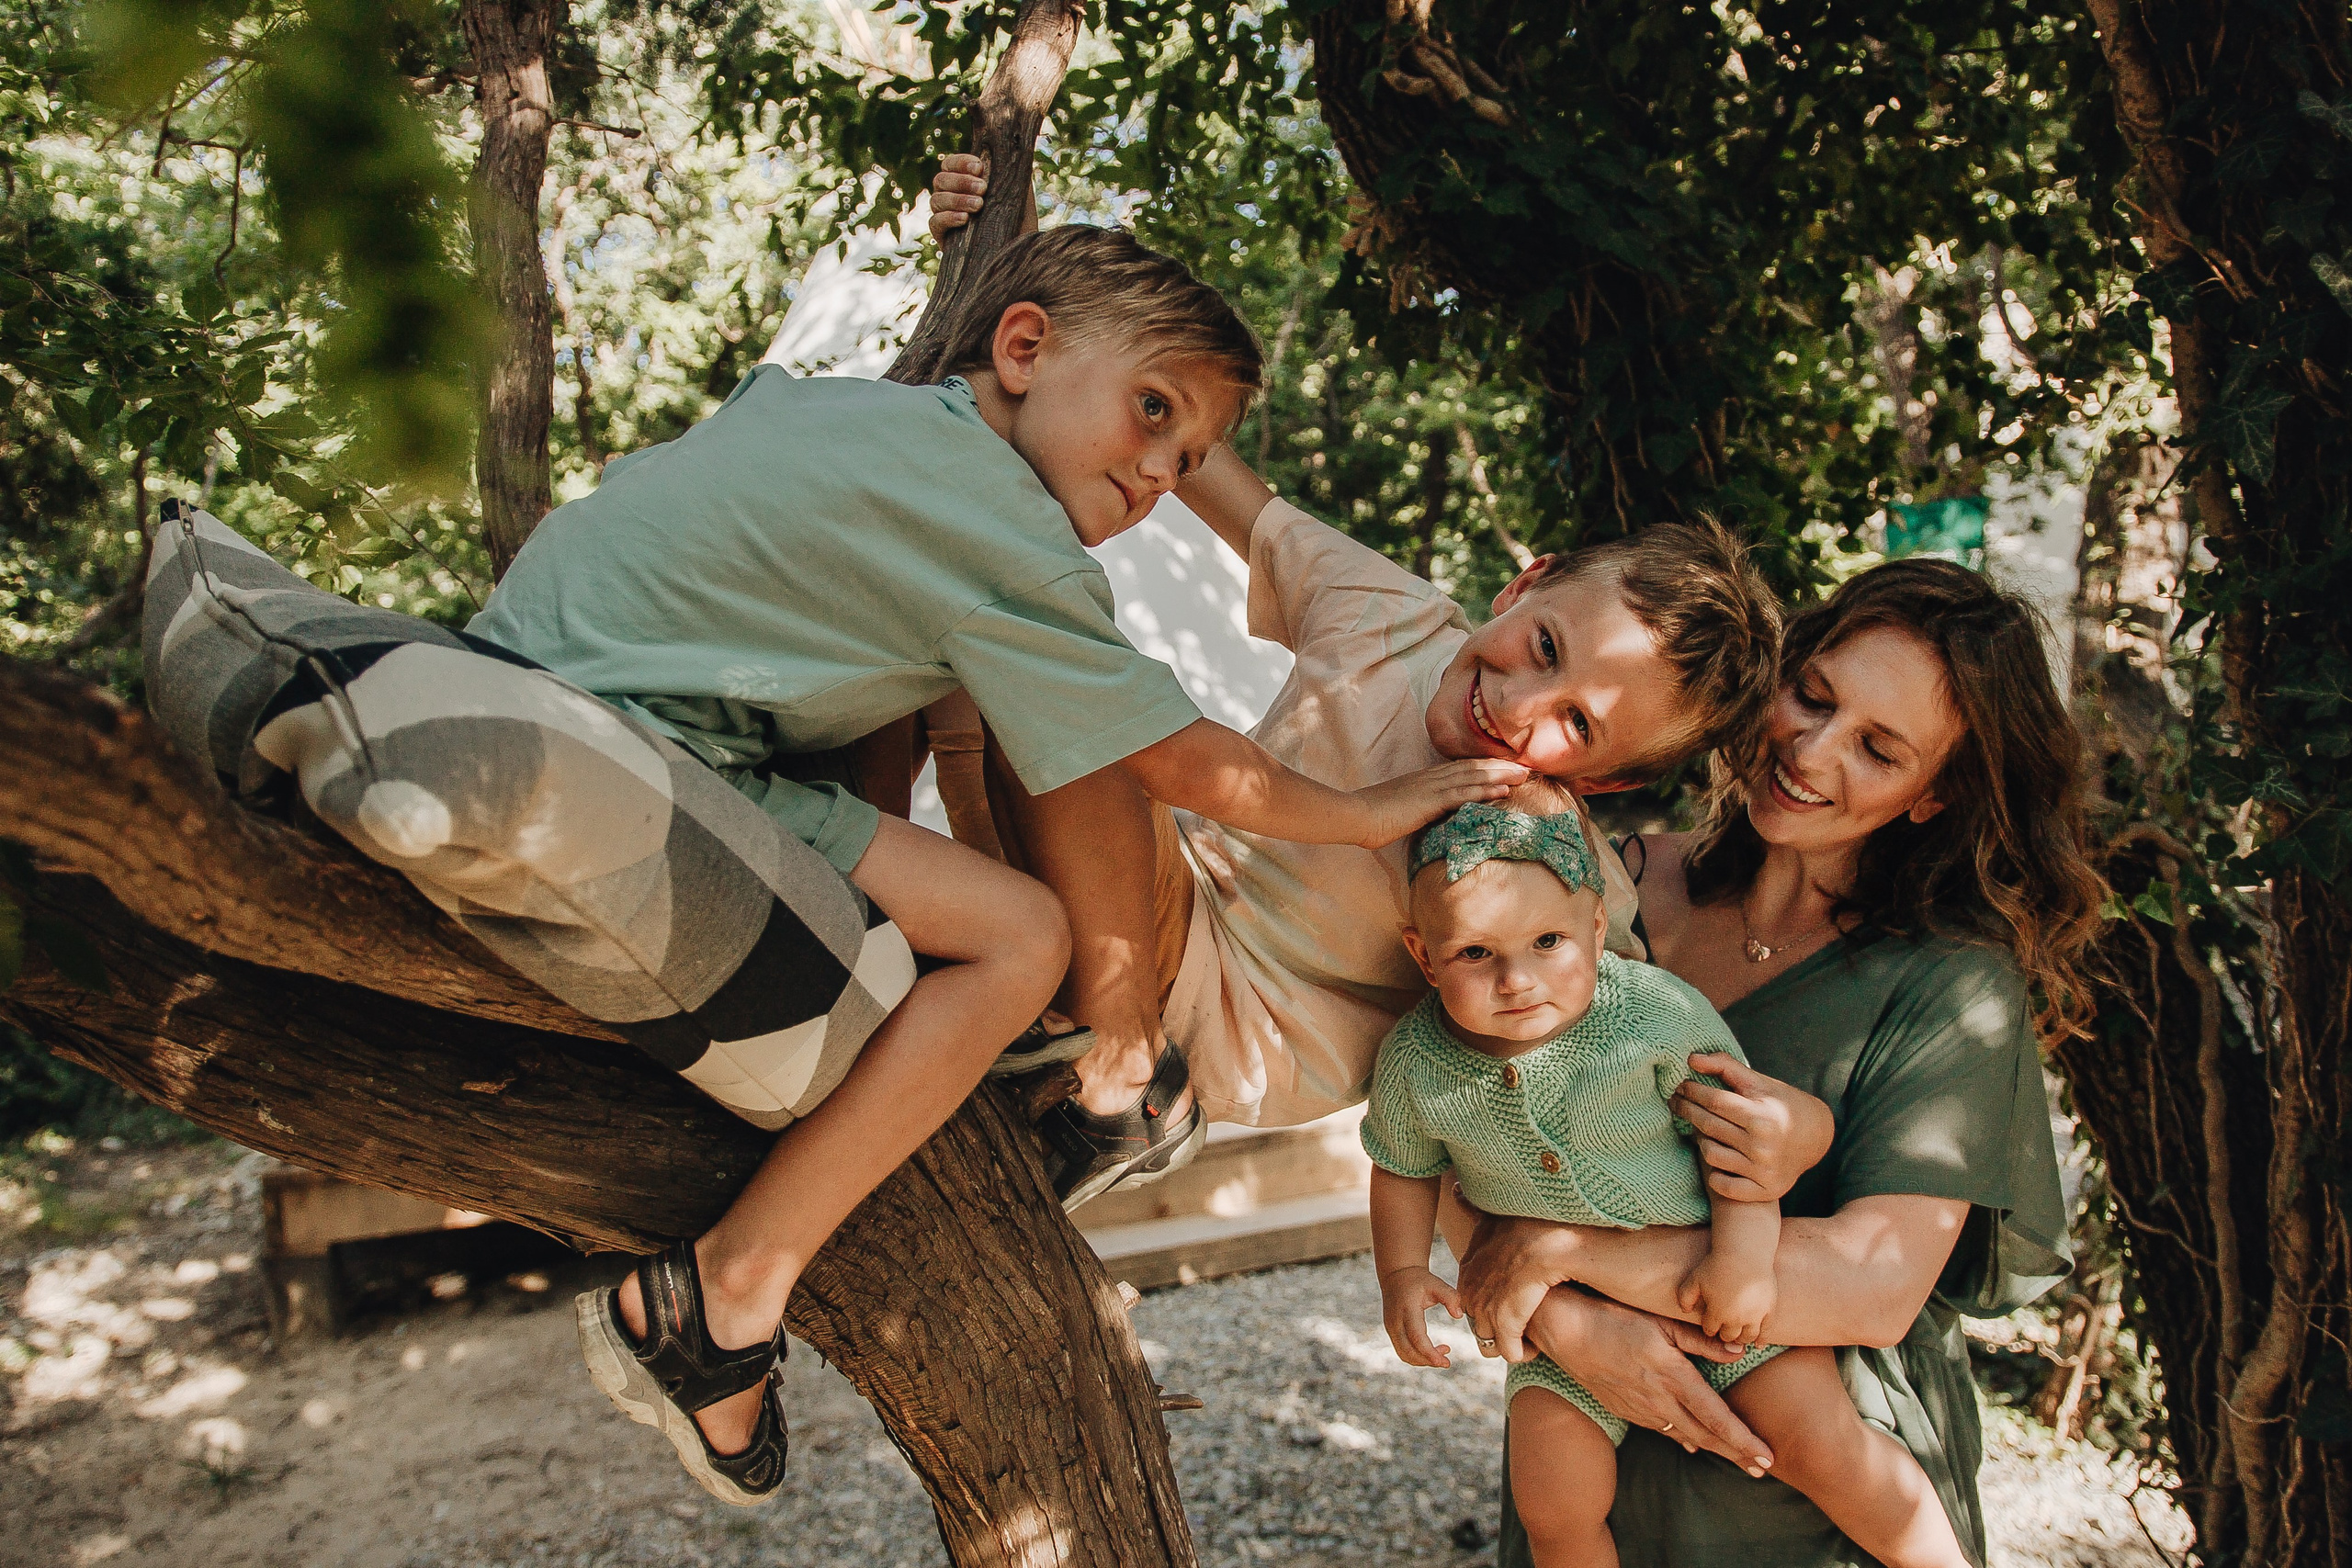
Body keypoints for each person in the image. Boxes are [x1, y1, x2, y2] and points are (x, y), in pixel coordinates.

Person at [469, 226, 1525, 1501]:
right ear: (1021, 346)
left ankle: (926, 1031)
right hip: (647, 763)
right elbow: (1187, 758)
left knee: (970, 693)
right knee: (1022, 931)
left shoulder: (850, 417)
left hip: (547, 681)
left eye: (1188, 457)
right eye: (1150, 413)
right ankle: (725, 1290)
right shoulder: (1007, 534)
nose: (1156, 472)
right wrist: (1378, 810)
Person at [929, 152, 1787, 1162]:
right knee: (967, 609)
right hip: (1116, 888)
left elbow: (1621, 1033)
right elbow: (1207, 467)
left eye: (1577, 726)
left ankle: (1123, 1085)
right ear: (1523, 584)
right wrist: (1018, 254)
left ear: (1612, 778)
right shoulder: (1391, 615)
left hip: (1223, 1022)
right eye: (1543, 645)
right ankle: (834, 843)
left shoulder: (1554, 867)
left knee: (1107, 712)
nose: (1519, 705)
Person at [1444, 559, 2100, 1568]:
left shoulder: (1952, 984)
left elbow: (1866, 1286)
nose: (1810, 749)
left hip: (1810, 1507)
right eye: (1813, 695)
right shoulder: (1594, 888)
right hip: (1587, 1466)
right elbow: (1456, 1128)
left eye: (1879, 750)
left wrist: (1563, 1255)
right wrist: (1574, 1331)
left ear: (1935, 795)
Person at [1365, 780, 1973, 1568]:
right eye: (1476, 954)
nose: (1517, 979)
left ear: (1593, 924)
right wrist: (1402, 1272)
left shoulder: (1649, 1013)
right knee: (1554, 1504)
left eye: (1548, 942)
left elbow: (1739, 1138)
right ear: (1423, 954)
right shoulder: (1416, 1062)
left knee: (1825, 1446)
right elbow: (1402, 1168)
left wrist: (1746, 1256)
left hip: (1708, 1289)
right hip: (1568, 1332)